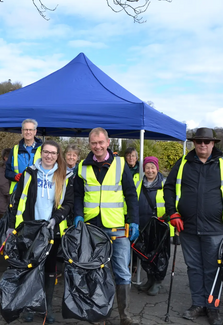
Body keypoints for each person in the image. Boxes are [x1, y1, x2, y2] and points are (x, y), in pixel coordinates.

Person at [163, 127, 223, 325]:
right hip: (188, 227)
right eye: (199, 141)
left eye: (206, 142)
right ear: (194, 143)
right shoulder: (183, 163)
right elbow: (169, 188)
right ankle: (198, 303)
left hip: (216, 228)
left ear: (213, 143)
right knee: (194, 268)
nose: (203, 145)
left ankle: (212, 307)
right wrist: (172, 212)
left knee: (213, 269)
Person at [73, 127, 140, 325]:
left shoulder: (120, 164)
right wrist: (78, 215)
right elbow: (77, 194)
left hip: (117, 226)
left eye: (101, 142)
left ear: (108, 142)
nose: (98, 146)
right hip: (92, 226)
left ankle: (124, 316)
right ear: (89, 144)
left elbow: (130, 194)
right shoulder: (82, 167)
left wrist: (134, 219)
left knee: (122, 271)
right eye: (94, 143)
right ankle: (99, 313)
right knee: (95, 270)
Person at [9, 140, 73, 324]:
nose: (49, 156)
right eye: (46, 152)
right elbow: (18, 199)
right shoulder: (29, 173)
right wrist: (13, 225)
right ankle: (30, 305)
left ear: (57, 155)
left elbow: (68, 203)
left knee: (49, 270)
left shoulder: (65, 175)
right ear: (41, 153)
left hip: (52, 231)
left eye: (53, 153)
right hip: (31, 230)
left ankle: (47, 307)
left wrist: (56, 218)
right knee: (31, 269)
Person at [136, 156, 171, 296]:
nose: (150, 171)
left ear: (157, 168)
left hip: (160, 226)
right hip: (143, 225)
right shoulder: (138, 183)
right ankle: (150, 279)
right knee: (145, 253)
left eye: (152, 167)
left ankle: (157, 281)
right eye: (147, 168)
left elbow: (172, 202)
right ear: (144, 169)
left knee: (159, 255)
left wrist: (168, 216)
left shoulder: (165, 184)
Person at [5, 119, 43, 194]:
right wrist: (14, 176)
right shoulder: (15, 149)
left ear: (35, 132)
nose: (28, 132)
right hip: (17, 191)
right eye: (26, 130)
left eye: (30, 130)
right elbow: (7, 171)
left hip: (37, 191)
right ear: (22, 131)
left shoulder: (43, 149)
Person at [0, 148, 11, 217]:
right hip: (3, 205)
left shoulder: (6, 168)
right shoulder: (2, 169)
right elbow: (5, 186)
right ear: (5, 158)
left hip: (5, 204)